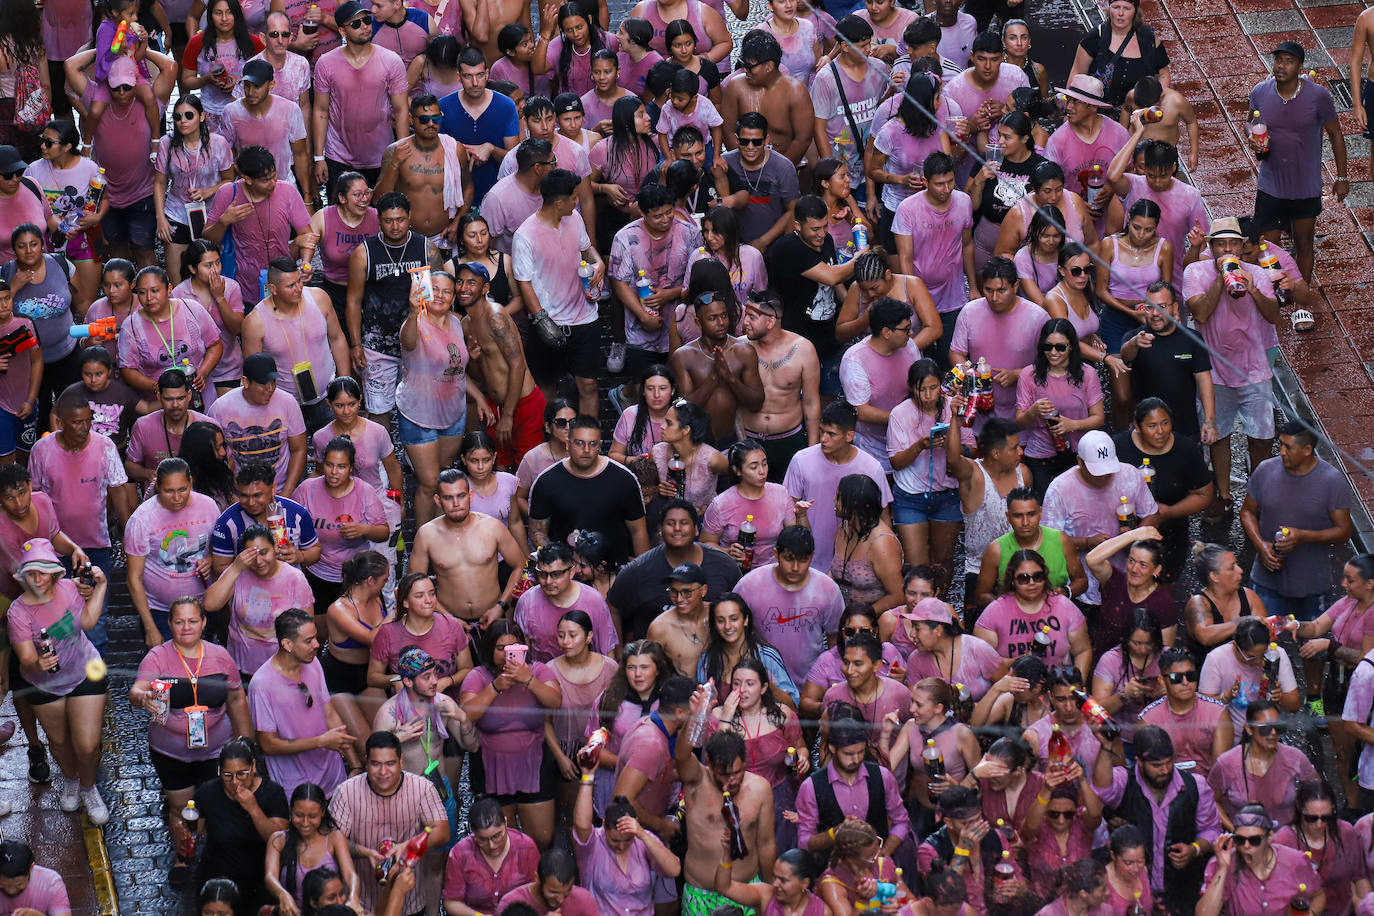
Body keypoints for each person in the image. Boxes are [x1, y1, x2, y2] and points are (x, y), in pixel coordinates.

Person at [1182, 217, 1279, 513]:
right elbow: (1200, 313)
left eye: (1233, 244)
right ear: (1210, 247)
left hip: (1254, 369)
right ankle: (1224, 494)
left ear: (1241, 246)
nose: (1227, 249)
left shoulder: (1256, 273)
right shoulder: (1195, 271)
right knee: (1220, 435)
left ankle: (1256, 495)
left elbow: (1274, 315)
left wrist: (1253, 289)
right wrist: (1222, 277)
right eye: (1221, 244)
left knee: (1262, 438)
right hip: (1215, 370)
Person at [9, 537, 109, 821]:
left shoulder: (69, 589)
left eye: (43, 571)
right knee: (59, 741)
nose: (37, 579)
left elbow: (88, 622)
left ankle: (89, 788)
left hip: (83, 671)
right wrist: (38, 662)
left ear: (54, 572)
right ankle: (71, 780)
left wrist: (101, 586)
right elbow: (26, 658)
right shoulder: (18, 611)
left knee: (88, 744)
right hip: (43, 682)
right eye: (31, 572)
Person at [28, 389, 132, 651]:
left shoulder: (105, 446)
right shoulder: (42, 450)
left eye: (89, 420)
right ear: (60, 423)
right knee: (56, 616)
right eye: (77, 422)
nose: (85, 427)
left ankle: (95, 679)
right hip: (54, 550)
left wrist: (128, 536)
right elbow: (35, 499)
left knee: (96, 618)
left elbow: (118, 491)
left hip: (95, 545)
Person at [1091, 725, 1221, 914]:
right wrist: (1105, 748)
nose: (1165, 770)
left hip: (1181, 893)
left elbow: (1212, 830)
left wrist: (1194, 849)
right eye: (1156, 765)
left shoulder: (1195, 786)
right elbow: (1102, 790)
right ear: (1139, 762)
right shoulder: (1125, 780)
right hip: (1133, 890)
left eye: (1169, 762)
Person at [459, 620, 564, 850]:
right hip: (492, 767)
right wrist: (495, 688)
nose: (508, 655)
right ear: (489, 649)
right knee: (502, 842)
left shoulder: (537, 670)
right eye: (501, 649)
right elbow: (467, 713)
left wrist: (528, 680)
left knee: (542, 839)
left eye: (514, 648)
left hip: (534, 764)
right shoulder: (479, 676)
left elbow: (555, 702)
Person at [511, 168, 607, 417]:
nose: (578, 201)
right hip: (550, 322)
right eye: (574, 197)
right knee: (548, 387)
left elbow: (587, 250)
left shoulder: (573, 218)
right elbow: (525, 283)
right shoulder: (525, 236)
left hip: (585, 318)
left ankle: (589, 438)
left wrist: (600, 264)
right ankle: (549, 439)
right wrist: (542, 320)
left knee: (588, 384)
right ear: (559, 203)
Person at [1249, 42, 1346, 283]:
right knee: (1266, 247)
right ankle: (1272, 295)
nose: (1281, 66)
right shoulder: (1260, 92)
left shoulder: (1318, 97)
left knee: (1304, 245)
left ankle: (1300, 300)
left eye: (1288, 61)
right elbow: (1250, 121)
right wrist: (1252, 135)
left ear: (1300, 66)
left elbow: (1335, 133)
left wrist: (1342, 178)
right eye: (1278, 60)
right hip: (1271, 186)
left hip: (1305, 188)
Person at [1241, 420, 1353, 624]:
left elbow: (1344, 531)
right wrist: (1260, 545)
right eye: (1281, 444)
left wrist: (1302, 536)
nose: (1281, 451)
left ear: (1307, 450)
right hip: (1266, 580)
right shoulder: (1265, 470)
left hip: (1312, 582)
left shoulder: (1332, 482)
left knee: (1312, 647)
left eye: (1288, 447)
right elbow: (1247, 512)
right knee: (1260, 642)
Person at [345, 192, 439, 429]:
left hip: (419, 341)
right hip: (377, 344)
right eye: (388, 220)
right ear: (379, 220)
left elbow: (438, 298)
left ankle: (415, 458)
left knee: (420, 403)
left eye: (400, 219)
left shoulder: (427, 249)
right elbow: (353, 302)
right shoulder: (364, 253)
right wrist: (356, 345)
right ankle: (382, 461)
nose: (395, 226)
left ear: (410, 217)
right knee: (379, 408)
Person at [329, 731, 450, 914]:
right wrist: (363, 852)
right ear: (366, 761)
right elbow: (329, 842)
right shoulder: (346, 792)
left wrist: (408, 846)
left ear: (401, 761)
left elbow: (442, 833)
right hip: (362, 903)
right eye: (376, 764)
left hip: (411, 900)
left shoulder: (422, 788)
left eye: (390, 764)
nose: (383, 772)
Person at [248, 608, 361, 797]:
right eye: (308, 641)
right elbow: (268, 745)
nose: (317, 644)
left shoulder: (313, 663)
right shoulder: (262, 684)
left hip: (334, 778)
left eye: (315, 637)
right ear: (287, 644)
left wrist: (355, 765)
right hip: (296, 790)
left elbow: (329, 713)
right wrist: (320, 742)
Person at [1041, 430, 1159, 608]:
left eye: (1108, 468)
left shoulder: (1130, 475)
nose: (1104, 475)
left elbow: (1151, 514)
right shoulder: (1060, 489)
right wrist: (1087, 542)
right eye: (1097, 471)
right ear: (1080, 462)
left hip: (1129, 582)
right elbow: (1049, 540)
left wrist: (1134, 539)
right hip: (1084, 587)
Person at [242, 258, 351, 433]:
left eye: (299, 281)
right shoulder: (255, 322)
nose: (298, 288)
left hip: (327, 396)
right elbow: (253, 371)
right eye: (291, 285)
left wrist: (344, 384)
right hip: (284, 403)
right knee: (293, 456)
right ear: (273, 289)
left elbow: (337, 338)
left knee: (334, 453)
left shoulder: (319, 298)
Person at [309, 0, 408, 193]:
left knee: (381, 216)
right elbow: (320, 111)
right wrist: (319, 157)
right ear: (342, 32)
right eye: (356, 23)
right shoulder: (326, 63)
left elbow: (401, 110)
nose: (364, 26)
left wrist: (401, 156)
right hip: (338, 156)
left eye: (367, 21)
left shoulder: (391, 61)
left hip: (382, 156)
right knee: (340, 217)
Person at [675, 728, 778, 912]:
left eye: (737, 772)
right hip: (701, 894)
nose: (731, 780)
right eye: (724, 774)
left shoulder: (760, 788)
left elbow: (766, 843)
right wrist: (696, 715)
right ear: (710, 765)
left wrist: (772, 892)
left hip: (746, 890)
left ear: (744, 762)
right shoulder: (696, 781)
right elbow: (681, 755)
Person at [453, 261, 543, 471]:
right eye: (460, 281)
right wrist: (473, 360)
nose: (463, 288)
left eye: (471, 282)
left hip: (522, 404)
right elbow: (478, 374)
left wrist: (509, 415)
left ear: (485, 288)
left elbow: (518, 365)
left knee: (528, 472)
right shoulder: (466, 324)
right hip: (495, 406)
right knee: (499, 469)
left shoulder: (496, 316)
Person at [608, 499, 742, 640]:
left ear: (696, 529)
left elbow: (741, 606)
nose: (677, 528)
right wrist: (618, 652)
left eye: (684, 523)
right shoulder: (638, 569)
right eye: (670, 524)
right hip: (655, 654)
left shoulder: (724, 565)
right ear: (660, 531)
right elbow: (613, 607)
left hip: (710, 653)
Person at [1112, 396, 1214, 580]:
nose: (1160, 431)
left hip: (1171, 533)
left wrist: (1169, 512)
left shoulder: (1186, 449)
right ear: (1137, 425)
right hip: (1123, 531)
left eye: (1165, 423)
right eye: (1152, 426)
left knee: (1165, 586)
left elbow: (1204, 494)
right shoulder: (1119, 447)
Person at [733, 525, 845, 690]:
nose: (795, 567)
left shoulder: (828, 589)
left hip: (811, 684)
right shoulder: (749, 586)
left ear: (812, 557)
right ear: (776, 554)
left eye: (802, 560)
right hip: (762, 685)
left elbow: (835, 641)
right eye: (789, 558)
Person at [781, 400, 889, 571]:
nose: (823, 439)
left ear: (849, 436)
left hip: (855, 565)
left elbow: (883, 519)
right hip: (808, 562)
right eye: (822, 431)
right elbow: (787, 511)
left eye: (831, 434)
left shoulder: (871, 468)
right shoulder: (801, 460)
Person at [409, 468, 523, 625]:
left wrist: (501, 605)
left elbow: (520, 565)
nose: (456, 504)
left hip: (494, 615)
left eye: (461, 496)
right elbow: (415, 584)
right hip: (448, 619)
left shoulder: (492, 527)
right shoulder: (427, 534)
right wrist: (447, 618)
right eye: (448, 498)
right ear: (437, 500)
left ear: (470, 496)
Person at [529, 415, 649, 563]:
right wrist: (559, 564)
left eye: (592, 444)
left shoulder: (623, 478)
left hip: (613, 571)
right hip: (568, 573)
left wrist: (642, 570)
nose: (586, 450)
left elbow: (638, 530)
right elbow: (538, 532)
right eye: (579, 443)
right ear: (567, 444)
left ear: (600, 445)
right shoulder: (546, 481)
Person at [124, 458, 219, 645]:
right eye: (169, 491)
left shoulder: (209, 507)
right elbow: (133, 578)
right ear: (157, 486)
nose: (177, 498)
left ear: (191, 482)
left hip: (203, 605)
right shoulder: (141, 519)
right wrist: (150, 627)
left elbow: (222, 552)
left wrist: (211, 560)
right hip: (160, 612)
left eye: (182, 489)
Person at [893, 152, 977, 364]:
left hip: (954, 294)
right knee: (920, 358)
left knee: (950, 357)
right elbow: (905, 258)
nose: (946, 189)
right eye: (939, 184)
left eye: (950, 182)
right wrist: (910, 300)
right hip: (921, 295)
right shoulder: (907, 210)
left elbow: (967, 245)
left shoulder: (963, 202)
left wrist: (973, 287)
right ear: (925, 181)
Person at [205, 523, 315, 679]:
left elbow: (307, 625)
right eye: (252, 555)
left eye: (264, 552)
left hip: (281, 666)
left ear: (275, 548)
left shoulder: (294, 578)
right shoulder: (239, 572)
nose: (258, 561)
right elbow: (210, 604)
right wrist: (236, 568)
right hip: (242, 663)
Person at [949, 257, 1051, 425]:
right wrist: (969, 374)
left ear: (1016, 286)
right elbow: (957, 352)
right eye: (988, 290)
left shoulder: (1038, 317)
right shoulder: (969, 312)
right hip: (979, 410)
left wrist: (1018, 374)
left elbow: (1053, 362)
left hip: (1025, 414)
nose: (994, 297)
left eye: (1001, 290)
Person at [946, 413, 1030, 616]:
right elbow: (952, 459)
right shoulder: (974, 474)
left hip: (1018, 568)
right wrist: (955, 420)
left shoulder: (1023, 473)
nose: (1020, 451)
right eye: (1014, 448)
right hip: (978, 572)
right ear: (995, 453)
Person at [191, 739, 290, 910]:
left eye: (241, 774)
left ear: (253, 767)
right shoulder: (208, 792)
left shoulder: (272, 794)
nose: (235, 782)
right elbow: (195, 830)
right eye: (227, 775)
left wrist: (253, 808)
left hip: (257, 883)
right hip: (218, 883)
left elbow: (277, 840)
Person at [204, 146, 313, 300]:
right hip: (242, 285)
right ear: (247, 179)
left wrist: (306, 263)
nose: (273, 183)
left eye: (274, 176)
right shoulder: (228, 193)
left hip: (283, 283)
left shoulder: (288, 191)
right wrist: (224, 221)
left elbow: (308, 236)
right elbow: (208, 237)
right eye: (265, 180)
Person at [1014, 317, 1105, 498]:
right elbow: (1019, 423)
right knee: (1046, 508)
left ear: (1071, 346)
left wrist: (1072, 425)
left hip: (1078, 454)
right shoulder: (1028, 375)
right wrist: (1033, 412)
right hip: (1041, 456)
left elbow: (1099, 417)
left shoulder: (1087, 374)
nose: (1053, 352)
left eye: (1060, 347)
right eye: (1048, 347)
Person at [375, 94, 474, 257]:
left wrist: (458, 221)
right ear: (411, 119)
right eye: (424, 119)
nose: (431, 124)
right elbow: (379, 200)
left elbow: (468, 188)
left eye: (436, 118)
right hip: (405, 238)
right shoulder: (395, 151)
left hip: (444, 238)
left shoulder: (454, 149)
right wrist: (394, 164)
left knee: (444, 282)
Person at [796, 717, 910, 854]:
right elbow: (804, 841)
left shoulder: (882, 776)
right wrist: (835, 833)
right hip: (833, 869)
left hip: (878, 867)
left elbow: (901, 821)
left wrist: (884, 853)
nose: (856, 759)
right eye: (848, 754)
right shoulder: (811, 787)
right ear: (832, 748)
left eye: (860, 752)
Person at [153, 96, 235, 284]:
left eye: (189, 115)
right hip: (177, 212)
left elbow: (230, 179)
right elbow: (159, 181)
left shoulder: (218, 143)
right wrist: (160, 217)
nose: (183, 121)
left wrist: (208, 191)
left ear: (201, 116)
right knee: (176, 280)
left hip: (211, 215)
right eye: (178, 116)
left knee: (211, 276)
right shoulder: (167, 142)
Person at [975, 549, 1091, 677]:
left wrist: (1074, 687)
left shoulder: (1064, 606)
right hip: (1011, 691)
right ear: (1013, 580)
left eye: (1037, 577)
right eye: (1023, 578)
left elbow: (1083, 651)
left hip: (1056, 691)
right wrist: (1016, 664)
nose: (1032, 583)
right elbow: (982, 661)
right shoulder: (994, 613)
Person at [207, 356, 309, 503]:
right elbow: (216, 457)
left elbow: (298, 449)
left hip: (279, 490)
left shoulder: (287, 402)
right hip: (241, 493)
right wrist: (232, 495)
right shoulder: (220, 408)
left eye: (273, 382)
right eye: (263, 384)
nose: (270, 389)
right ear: (246, 382)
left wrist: (287, 493)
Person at [611, 675, 696, 847]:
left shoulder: (661, 727)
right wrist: (660, 825)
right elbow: (621, 799)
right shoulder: (651, 745)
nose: (699, 719)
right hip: (636, 840)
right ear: (679, 713)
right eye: (694, 714)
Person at [1197, 804, 1325, 916]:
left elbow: (1319, 895)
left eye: (1254, 840)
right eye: (1240, 840)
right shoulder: (1225, 863)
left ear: (1269, 837)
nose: (1246, 846)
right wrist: (1223, 868)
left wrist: (1312, 913)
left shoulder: (1295, 861)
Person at [1208, 700, 1316, 830]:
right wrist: (1235, 831)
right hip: (1246, 843)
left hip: (1287, 841)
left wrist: (1303, 824)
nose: (1273, 733)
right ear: (1249, 729)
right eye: (1265, 728)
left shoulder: (1295, 757)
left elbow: (1318, 792)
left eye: (1278, 727)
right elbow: (1210, 800)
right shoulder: (1227, 763)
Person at [839, 298, 920, 473]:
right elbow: (860, 410)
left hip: (910, 442)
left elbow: (918, 384)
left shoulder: (909, 346)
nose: (911, 333)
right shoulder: (855, 360)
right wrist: (900, 418)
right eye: (906, 329)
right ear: (886, 332)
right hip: (874, 450)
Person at [973, 487, 1085, 609]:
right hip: (1012, 620)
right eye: (1018, 516)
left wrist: (1065, 592)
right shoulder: (996, 550)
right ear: (1008, 516)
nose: (1025, 522)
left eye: (1031, 514)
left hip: (1055, 614)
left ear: (1040, 513)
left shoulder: (1061, 540)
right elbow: (981, 595)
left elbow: (1082, 581)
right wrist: (1008, 608)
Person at [438, 46, 522, 203]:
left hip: (498, 198)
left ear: (488, 74)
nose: (475, 82)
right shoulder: (443, 107)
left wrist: (491, 149)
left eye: (480, 75)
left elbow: (515, 161)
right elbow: (433, 157)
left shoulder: (506, 106)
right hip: (455, 199)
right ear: (458, 76)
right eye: (468, 76)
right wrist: (459, 152)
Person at [367, 571, 473, 695]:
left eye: (432, 594)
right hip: (407, 706)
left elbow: (467, 668)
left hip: (445, 704)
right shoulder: (387, 632)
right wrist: (396, 680)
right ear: (405, 602)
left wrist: (448, 681)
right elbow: (372, 677)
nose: (429, 600)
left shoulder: (451, 625)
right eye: (419, 596)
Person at [320, 551, 390, 739]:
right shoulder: (339, 609)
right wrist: (396, 611)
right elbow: (371, 638)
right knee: (365, 744)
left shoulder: (376, 598)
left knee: (386, 735)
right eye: (384, 580)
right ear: (370, 580)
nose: (386, 584)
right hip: (339, 679)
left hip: (367, 674)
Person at [209, 461, 321, 577]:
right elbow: (219, 567)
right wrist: (245, 565)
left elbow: (316, 551)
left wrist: (300, 556)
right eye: (244, 496)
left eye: (257, 495)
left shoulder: (297, 514)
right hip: (249, 593)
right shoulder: (227, 522)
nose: (251, 503)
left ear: (273, 489)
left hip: (289, 589)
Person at [1199, 616, 1302, 741]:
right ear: (1235, 646)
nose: (1259, 661)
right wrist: (1226, 697)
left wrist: (1280, 697)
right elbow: (1203, 710)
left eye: (1263, 654)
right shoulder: (1216, 659)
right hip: (1229, 740)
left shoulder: (1276, 655)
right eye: (1252, 657)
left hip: (1267, 736)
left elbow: (1294, 705)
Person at [219, 57, 311, 196]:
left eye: (256, 86)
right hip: (247, 189)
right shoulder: (231, 112)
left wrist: (307, 197)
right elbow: (226, 155)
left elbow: (300, 155)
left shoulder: (290, 110)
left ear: (271, 85)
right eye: (247, 85)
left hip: (283, 188)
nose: (250, 92)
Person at [264, 784, 361, 916]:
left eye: (312, 816)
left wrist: (354, 897)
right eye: (299, 815)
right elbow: (270, 877)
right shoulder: (278, 840)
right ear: (291, 811)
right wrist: (283, 894)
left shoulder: (334, 838)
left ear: (322, 812)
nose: (305, 823)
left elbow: (350, 875)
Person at [719, 32, 814, 166]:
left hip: (784, 164)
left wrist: (780, 171)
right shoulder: (735, 87)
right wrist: (745, 166)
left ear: (769, 66)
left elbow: (802, 139)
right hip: (744, 166)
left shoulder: (796, 92)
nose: (745, 70)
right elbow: (727, 131)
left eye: (750, 67)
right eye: (743, 64)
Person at [516, 543, 619, 663]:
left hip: (584, 676)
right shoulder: (527, 602)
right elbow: (520, 650)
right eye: (543, 574)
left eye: (556, 575)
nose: (548, 581)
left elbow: (607, 651)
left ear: (571, 572)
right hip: (541, 679)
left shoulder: (594, 601)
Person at [701, 441, 798, 568]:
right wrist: (728, 552)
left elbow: (792, 536)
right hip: (734, 569)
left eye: (764, 464)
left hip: (773, 569)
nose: (762, 471)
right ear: (737, 470)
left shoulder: (780, 494)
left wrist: (801, 515)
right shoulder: (721, 504)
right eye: (754, 467)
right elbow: (705, 544)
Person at [1139, 648, 1232, 778]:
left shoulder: (1218, 713)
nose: (1185, 682)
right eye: (1176, 678)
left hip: (1208, 790)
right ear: (1162, 681)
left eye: (1190, 676)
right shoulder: (1148, 720)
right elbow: (1151, 772)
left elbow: (1221, 774)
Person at [441, 796, 541, 916]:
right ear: (473, 834)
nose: (492, 845)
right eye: (482, 839)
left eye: (497, 836)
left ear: (506, 822)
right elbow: (451, 901)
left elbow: (538, 892)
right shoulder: (460, 854)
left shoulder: (526, 847)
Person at [173, 241, 247, 398]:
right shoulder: (179, 294)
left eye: (218, 263)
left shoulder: (231, 287)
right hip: (193, 370)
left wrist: (220, 297)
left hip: (228, 368)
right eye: (208, 265)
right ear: (192, 269)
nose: (215, 270)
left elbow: (238, 328)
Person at [1084, 528, 1176, 655]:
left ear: (1156, 570)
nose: (1134, 569)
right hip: (1101, 661)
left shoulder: (1164, 604)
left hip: (1138, 671)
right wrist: (1132, 535)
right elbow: (1092, 559)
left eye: (1143, 565)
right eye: (1131, 561)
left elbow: (1164, 652)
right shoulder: (1115, 580)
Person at [720, 112, 801, 251]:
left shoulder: (783, 167)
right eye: (744, 141)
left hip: (774, 246)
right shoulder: (725, 163)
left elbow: (792, 210)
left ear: (766, 140)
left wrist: (763, 241)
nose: (750, 147)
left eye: (757, 142)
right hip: (733, 247)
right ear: (736, 139)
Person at [1184, 543, 1269, 665]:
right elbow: (1205, 635)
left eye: (1237, 564)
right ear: (1214, 576)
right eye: (1231, 568)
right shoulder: (1198, 602)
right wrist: (1243, 621)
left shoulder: (1248, 596)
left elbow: (1265, 634)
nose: (1240, 570)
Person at [830, 474, 903, 610]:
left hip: (872, 623)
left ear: (854, 503)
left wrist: (862, 617)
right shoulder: (843, 529)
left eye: (839, 497)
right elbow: (835, 572)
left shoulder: (882, 543)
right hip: (843, 619)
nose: (834, 500)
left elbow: (898, 596)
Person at [461, 431, 525, 547]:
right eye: (474, 461)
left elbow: (515, 522)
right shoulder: (457, 488)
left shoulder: (507, 482)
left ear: (494, 457)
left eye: (486, 460)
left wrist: (526, 558)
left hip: (503, 555)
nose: (480, 467)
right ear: (464, 459)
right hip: (469, 557)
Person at [499, 849, 600, 915]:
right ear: (537, 879)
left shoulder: (583, 900)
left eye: (567, 891)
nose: (560, 900)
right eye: (554, 892)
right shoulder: (512, 903)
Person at [0, 840, 73, 915]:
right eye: (2, 884)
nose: (11, 891)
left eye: (18, 885)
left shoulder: (51, 883)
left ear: (31, 868)